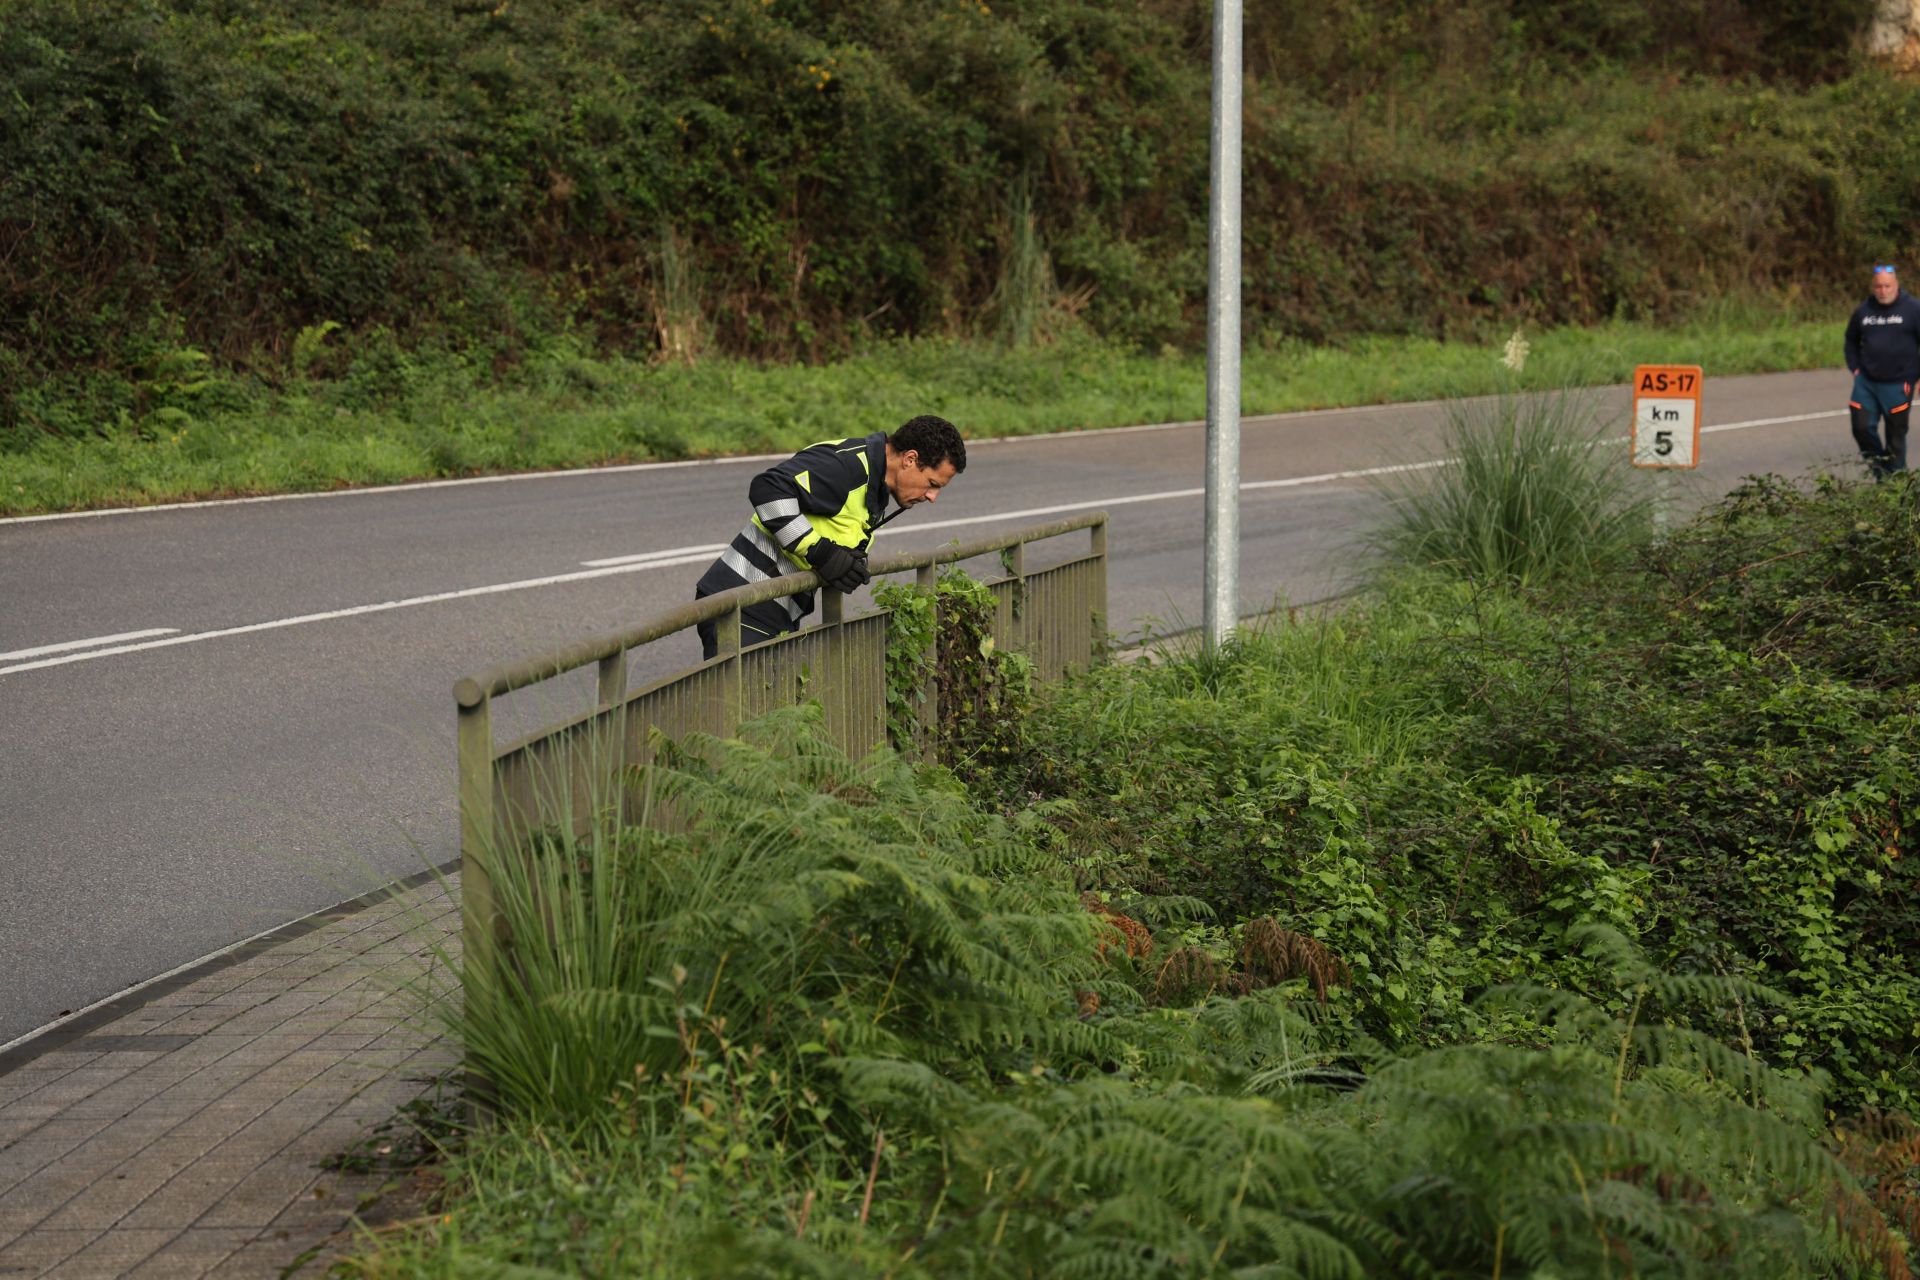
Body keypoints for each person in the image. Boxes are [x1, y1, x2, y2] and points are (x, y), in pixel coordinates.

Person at [693, 415, 967, 659]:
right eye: (932, 484)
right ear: (910, 459)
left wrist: (846, 560)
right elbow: (767, 488)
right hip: (739, 604)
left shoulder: (876, 482)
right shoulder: (848, 467)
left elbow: (833, 526)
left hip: (770, 609)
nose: (933, 497)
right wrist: (820, 552)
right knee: (741, 713)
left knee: (765, 712)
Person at [1843, 262, 1920, 479]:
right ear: (1872, 287)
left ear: (1896, 285)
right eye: (1878, 286)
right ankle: (1880, 473)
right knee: (1861, 427)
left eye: (1887, 286)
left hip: (1899, 383)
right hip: (1866, 382)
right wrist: (1855, 368)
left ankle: (1896, 482)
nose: (1883, 291)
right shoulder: (1863, 311)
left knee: (1895, 437)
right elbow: (1850, 340)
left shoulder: (1913, 309)